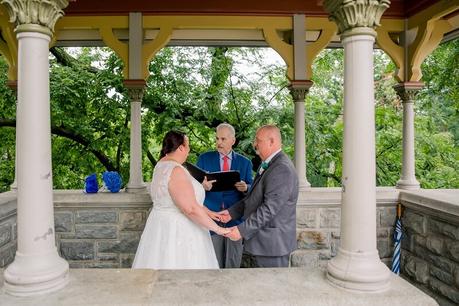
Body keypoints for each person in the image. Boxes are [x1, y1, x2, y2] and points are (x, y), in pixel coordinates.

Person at [132, 130, 229, 269]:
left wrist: (208, 212)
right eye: (188, 146)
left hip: (159, 228)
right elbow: (190, 208)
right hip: (179, 232)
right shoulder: (176, 170)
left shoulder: (160, 165)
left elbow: (183, 199)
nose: (189, 150)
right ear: (181, 147)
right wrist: (219, 229)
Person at [220, 125, 299, 268]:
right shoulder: (268, 164)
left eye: (258, 140)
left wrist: (241, 230)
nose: (255, 144)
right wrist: (231, 213)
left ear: (272, 141)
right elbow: (253, 198)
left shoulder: (282, 168)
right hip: (261, 243)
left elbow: (269, 209)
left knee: (271, 288)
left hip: (272, 246)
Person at [197, 123, 253, 268]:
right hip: (211, 217)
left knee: (232, 263)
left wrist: (245, 187)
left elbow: (254, 189)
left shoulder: (245, 163)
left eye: (223, 139)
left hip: (234, 219)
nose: (218, 143)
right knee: (213, 263)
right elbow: (193, 187)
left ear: (233, 141)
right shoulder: (204, 159)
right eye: (217, 139)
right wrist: (202, 187)